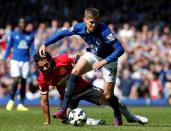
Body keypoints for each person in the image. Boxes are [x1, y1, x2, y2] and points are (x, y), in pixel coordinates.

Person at [38, 7, 124, 125]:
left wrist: (103, 62)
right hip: (94, 54)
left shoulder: (104, 31)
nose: (94, 25)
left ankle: (117, 113)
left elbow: (120, 50)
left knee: (108, 96)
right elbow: (63, 33)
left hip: (108, 60)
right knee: (75, 71)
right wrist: (45, 43)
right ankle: (63, 109)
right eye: (91, 22)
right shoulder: (79, 27)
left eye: (96, 22)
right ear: (85, 20)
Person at [34, 51, 148, 125]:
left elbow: (81, 58)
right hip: (68, 97)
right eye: (41, 67)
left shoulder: (63, 59)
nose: (44, 68)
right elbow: (44, 101)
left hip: (84, 88)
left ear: (51, 60)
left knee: (115, 102)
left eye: (46, 65)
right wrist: (46, 122)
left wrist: (81, 70)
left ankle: (131, 117)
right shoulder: (42, 78)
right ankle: (93, 122)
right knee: (64, 117)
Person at [4, 18, 35, 111]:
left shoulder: (30, 35)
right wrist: (5, 59)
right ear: (18, 24)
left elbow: (32, 49)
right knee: (16, 79)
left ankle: (21, 104)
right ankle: (11, 99)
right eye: (21, 23)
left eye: (24, 23)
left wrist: (35, 58)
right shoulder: (13, 34)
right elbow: (9, 47)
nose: (22, 24)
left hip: (26, 61)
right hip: (15, 60)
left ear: (25, 25)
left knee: (24, 81)